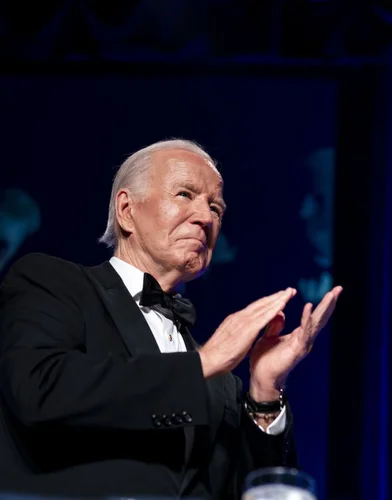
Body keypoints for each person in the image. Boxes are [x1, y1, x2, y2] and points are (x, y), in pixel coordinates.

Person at [0, 139, 342, 499]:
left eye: (216, 207)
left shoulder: (223, 384)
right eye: (184, 194)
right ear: (126, 210)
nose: (206, 217)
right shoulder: (53, 282)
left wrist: (264, 393)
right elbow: (40, 391)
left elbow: (257, 489)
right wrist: (202, 364)